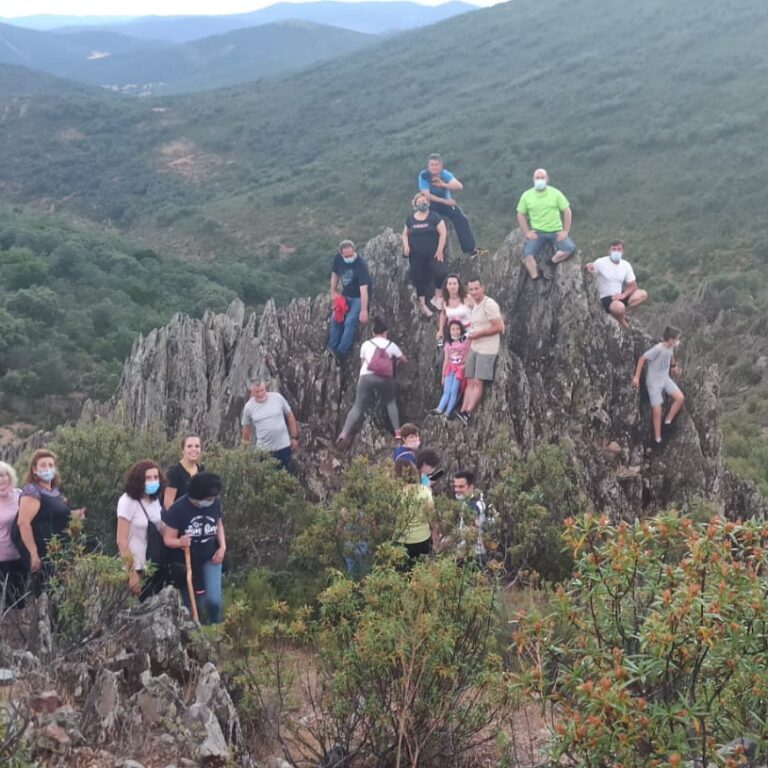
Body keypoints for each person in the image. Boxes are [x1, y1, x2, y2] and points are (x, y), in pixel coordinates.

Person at [17, 449, 85, 593]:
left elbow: (54, 515)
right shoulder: (32, 491)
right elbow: (23, 523)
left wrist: (75, 514)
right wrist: (33, 553)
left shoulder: (55, 491)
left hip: (59, 551)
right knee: (44, 594)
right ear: (34, 470)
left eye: (51, 465)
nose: (48, 468)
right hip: (43, 552)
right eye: (43, 465)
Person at [163, 472, 227, 625]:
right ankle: (196, 637)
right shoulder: (178, 509)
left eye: (213, 498)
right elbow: (168, 539)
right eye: (208, 499)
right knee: (193, 606)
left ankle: (216, 628)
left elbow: (218, 524)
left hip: (210, 557)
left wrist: (223, 547)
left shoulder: (215, 502)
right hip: (187, 563)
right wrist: (180, 542)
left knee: (213, 601)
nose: (211, 501)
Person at [337, 317, 405, 445]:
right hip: (385, 378)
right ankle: (397, 433)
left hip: (366, 377)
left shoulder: (366, 344)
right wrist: (393, 364)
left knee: (357, 407)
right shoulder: (391, 345)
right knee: (390, 402)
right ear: (386, 333)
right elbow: (403, 359)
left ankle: (344, 433)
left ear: (373, 333)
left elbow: (363, 363)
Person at [116, 459, 168, 601]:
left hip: (154, 564)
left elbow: (159, 525)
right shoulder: (127, 501)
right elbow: (121, 539)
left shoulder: (154, 500)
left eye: (155, 477)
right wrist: (131, 573)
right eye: (148, 478)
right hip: (136, 566)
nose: (153, 481)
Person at [456, 279, 504, 425]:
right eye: (471, 289)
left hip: (487, 349)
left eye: (476, 288)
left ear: (483, 288)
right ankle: (462, 411)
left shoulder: (489, 304)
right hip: (475, 347)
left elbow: (499, 327)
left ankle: (468, 412)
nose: (474, 292)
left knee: (478, 381)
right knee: (469, 380)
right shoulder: (475, 306)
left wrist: (479, 334)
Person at [516, 169, 577, 281]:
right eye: (537, 178)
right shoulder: (527, 195)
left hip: (555, 231)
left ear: (547, 179)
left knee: (569, 249)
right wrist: (527, 232)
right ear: (533, 179)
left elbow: (567, 211)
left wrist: (565, 231)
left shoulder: (555, 193)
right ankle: (536, 277)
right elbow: (520, 214)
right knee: (527, 255)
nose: (540, 180)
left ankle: (551, 262)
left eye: (542, 178)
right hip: (537, 232)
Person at [418, 154, 484, 257]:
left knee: (461, 219)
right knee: (431, 223)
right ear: (428, 166)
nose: (434, 167)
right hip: (432, 204)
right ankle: (430, 251)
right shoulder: (424, 176)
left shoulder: (445, 174)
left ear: (441, 166)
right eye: (432, 165)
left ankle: (470, 249)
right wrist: (445, 201)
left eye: (436, 165)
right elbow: (427, 195)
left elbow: (459, 186)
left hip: (446, 203)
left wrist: (443, 185)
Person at [631, 326, 685, 447]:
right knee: (657, 410)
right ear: (670, 340)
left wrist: (674, 368)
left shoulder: (670, 348)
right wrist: (636, 377)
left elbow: (671, 358)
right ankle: (658, 439)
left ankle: (667, 422)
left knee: (680, 398)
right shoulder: (658, 349)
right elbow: (642, 358)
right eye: (677, 339)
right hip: (653, 382)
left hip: (665, 379)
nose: (678, 341)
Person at [402, 191, 449, 318]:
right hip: (416, 255)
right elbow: (405, 234)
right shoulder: (410, 219)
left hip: (433, 254)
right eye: (419, 202)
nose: (422, 204)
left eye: (424, 202)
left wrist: (440, 249)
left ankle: (437, 296)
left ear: (428, 203)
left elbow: (443, 233)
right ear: (415, 204)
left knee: (441, 273)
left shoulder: (434, 217)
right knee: (419, 278)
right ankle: (422, 305)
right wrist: (406, 246)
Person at [585, 240, 648, 329]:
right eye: (613, 249)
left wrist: (623, 295)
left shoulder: (626, 265)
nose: (616, 251)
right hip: (605, 298)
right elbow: (589, 270)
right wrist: (588, 266)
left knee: (642, 294)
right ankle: (623, 323)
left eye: (619, 249)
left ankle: (623, 313)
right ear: (609, 251)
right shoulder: (601, 262)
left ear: (623, 251)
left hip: (619, 295)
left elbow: (633, 285)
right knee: (619, 307)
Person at [241, 379, 300, 471]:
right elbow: (246, 429)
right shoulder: (249, 407)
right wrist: (245, 451)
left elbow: (290, 415)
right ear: (252, 392)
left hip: (283, 446)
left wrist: (294, 437)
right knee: (266, 477)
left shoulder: (277, 398)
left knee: (285, 475)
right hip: (264, 451)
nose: (260, 394)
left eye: (262, 390)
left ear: (265, 388)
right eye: (257, 392)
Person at [328, 240, 371, 363]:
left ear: (354, 252)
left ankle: (341, 352)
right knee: (336, 319)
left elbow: (364, 290)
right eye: (345, 256)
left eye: (350, 255)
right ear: (341, 254)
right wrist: (333, 291)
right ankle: (332, 347)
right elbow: (335, 274)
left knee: (350, 322)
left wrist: (363, 310)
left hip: (358, 297)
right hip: (345, 295)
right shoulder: (338, 259)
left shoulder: (361, 265)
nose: (348, 258)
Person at [393, 458, 436, 563]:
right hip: (422, 538)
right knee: (420, 571)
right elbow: (432, 517)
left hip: (400, 539)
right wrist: (435, 535)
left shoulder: (393, 493)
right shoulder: (424, 490)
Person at [0, 462, 26, 608]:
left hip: (20, 555)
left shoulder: (19, 494)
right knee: (6, 601)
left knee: (20, 598)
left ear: (9, 476)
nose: (0, 479)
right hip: (1, 560)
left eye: (3, 475)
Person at [432, 320, 470, 417]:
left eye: (457, 329)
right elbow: (446, 360)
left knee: (454, 390)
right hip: (449, 369)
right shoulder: (448, 344)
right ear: (449, 331)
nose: (456, 331)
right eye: (453, 329)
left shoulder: (465, 342)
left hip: (459, 370)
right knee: (447, 390)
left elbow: (467, 355)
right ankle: (440, 408)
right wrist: (443, 376)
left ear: (461, 330)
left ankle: (448, 412)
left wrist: (464, 365)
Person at [453, 471, 489, 567]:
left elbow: (473, 528)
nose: (457, 489)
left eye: (461, 487)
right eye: (455, 486)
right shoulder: (462, 503)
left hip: (473, 555)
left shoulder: (474, 505)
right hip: (462, 553)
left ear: (471, 487)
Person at [164, 434, 203, 510]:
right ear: (183, 450)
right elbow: (168, 503)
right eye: (189, 446)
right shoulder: (174, 472)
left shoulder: (201, 470)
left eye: (197, 446)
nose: (193, 449)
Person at [435, 274, 473, 345]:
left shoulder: (467, 298)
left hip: (468, 333)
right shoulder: (444, 301)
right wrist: (440, 330)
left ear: (458, 285)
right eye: (450, 284)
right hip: (452, 334)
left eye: (455, 283)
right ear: (446, 286)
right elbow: (443, 314)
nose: (452, 286)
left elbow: (478, 310)